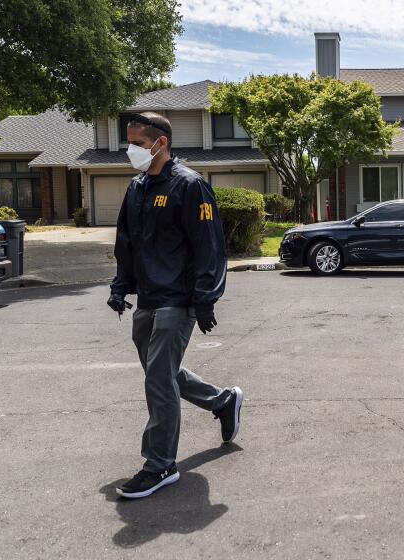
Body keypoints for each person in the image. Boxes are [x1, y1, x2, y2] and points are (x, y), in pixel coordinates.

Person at [107, 112, 243, 499]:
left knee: (158, 381)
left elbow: (209, 247)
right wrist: (121, 286)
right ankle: (224, 400)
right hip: (147, 300)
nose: (130, 149)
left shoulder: (190, 185)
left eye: (136, 142)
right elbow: (127, 243)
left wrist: (205, 299)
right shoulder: (137, 187)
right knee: (162, 373)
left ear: (160, 143)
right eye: (129, 141)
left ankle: (160, 464)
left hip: (177, 301)